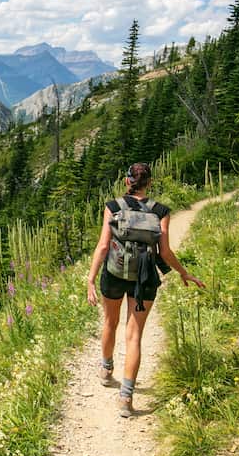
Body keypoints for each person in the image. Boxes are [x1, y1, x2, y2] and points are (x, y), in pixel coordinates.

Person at [86, 162, 204, 416]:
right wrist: (184, 273)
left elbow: (103, 246)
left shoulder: (113, 207)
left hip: (115, 273)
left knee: (109, 322)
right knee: (135, 334)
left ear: (127, 181)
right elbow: (165, 251)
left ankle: (106, 370)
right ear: (149, 183)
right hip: (146, 277)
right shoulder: (161, 211)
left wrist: (91, 279)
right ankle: (126, 399)